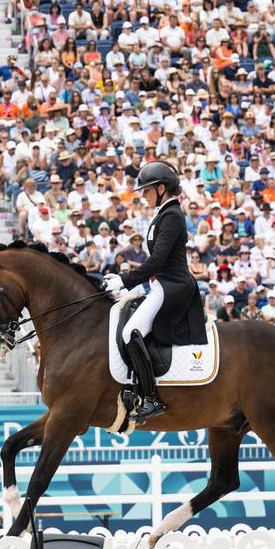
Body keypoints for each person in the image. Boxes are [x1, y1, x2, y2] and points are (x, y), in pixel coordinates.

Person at [100, 161, 195, 427]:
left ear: (162, 188)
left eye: (147, 190)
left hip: (172, 285)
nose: (143, 195)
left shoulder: (172, 215)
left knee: (131, 332)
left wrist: (125, 280)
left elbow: (157, 261)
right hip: (160, 283)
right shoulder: (164, 213)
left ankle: (150, 398)